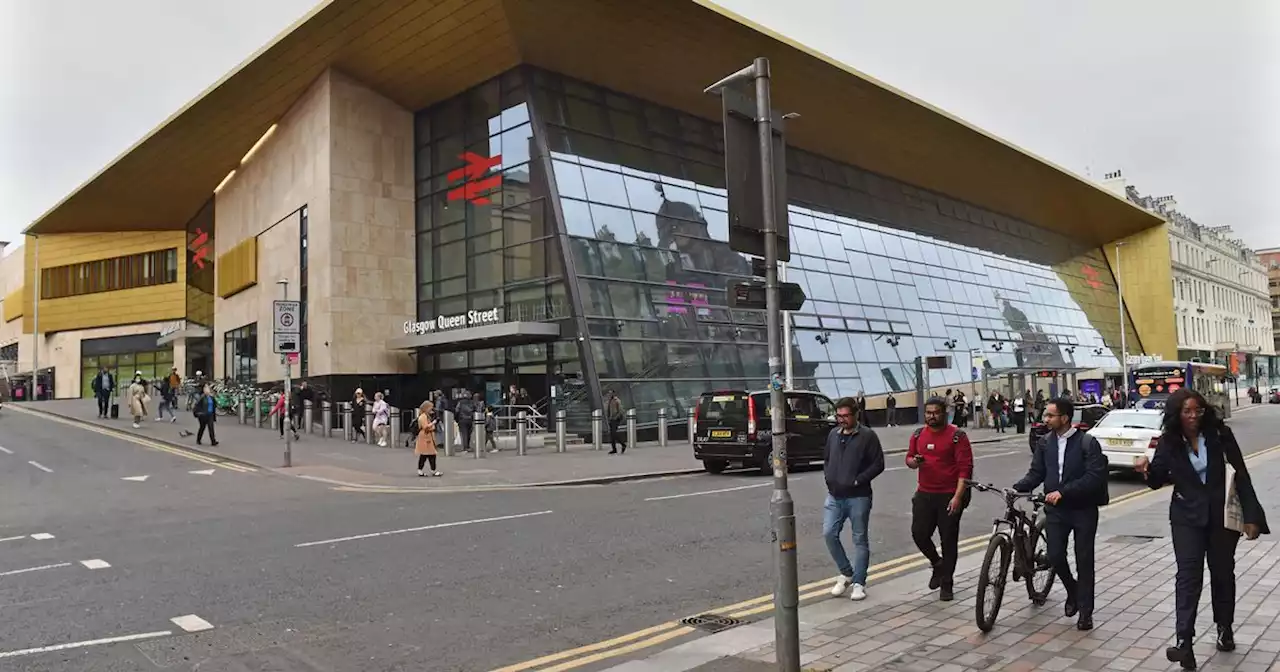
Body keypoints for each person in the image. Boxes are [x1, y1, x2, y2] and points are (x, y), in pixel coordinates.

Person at [1134, 388, 1269, 670]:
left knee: (1222, 575)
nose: (1194, 416)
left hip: (1221, 518)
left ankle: (1224, 628)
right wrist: (1146, 469)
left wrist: (1252, 516)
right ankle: (1184, 642)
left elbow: (1240, 474)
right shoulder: (1169, 441)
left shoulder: (1220, 435)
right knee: (1187, 578)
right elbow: (1157, 479)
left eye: (1198, 410)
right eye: (1187, 411)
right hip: (1186, 518)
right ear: (1176, 414)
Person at [1013, 396, 1108, 631]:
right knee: (1055, 556)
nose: (1045, 419)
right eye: (1045, 415)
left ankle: (1085, 612)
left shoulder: (1087, 443)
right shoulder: (1045, 443)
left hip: (1083, 510)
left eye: (1050, 415)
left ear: (1064, 418)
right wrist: (1017, 488)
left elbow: (1094, 478)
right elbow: (1036, 473)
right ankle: (1073, 591)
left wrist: (1063, 492)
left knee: (1084, 561)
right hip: (1056, 511)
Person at [906, 397, 973, 601]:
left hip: (950, 494)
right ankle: (937, 564)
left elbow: (965, 470)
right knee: (919, 534)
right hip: (925, 492)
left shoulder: (957, 436)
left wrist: (957, 498)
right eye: (928, 412)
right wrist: (914, 462)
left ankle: (947, 583)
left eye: (935, 412)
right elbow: (909, 458)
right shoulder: (918, 434)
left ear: (945, 413)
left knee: (948, 540)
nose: (931, 416)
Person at [825, 397, 885, 602]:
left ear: (856, 414)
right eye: (838, 416)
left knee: (859, 539)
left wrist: (858, 480)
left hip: (858, 497)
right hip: (834, 496)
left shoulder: (868, 436)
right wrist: (830, 479)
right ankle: (846, 573)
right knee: (829, 534)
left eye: (845, 416)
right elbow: (827, 460)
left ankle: (859, 582)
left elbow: (878, 464)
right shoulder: (833, 435)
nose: (841, 420)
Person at [415, 400, 441, 477]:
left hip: (428, 437)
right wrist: (434, 422)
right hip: (425, 437)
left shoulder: (426, 416)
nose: (432, 410)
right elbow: (425, 427)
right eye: (430, 408)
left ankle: (425, 470)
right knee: (427, 455)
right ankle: (428, 470)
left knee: (427, 455)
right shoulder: (423, 417)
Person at [606, 390, 626, 454]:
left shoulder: (617, 401)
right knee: (612, 435)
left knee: (614, 433)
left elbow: (620, 411)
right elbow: (608, 410)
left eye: (611, 393)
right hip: (611, 419)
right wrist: (608, 418)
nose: (609, 394)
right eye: (609, 393)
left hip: (615, 419)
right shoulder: (609, 401)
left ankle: (623, 444)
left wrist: (616, 417)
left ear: (613, 393)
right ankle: (614, 449)